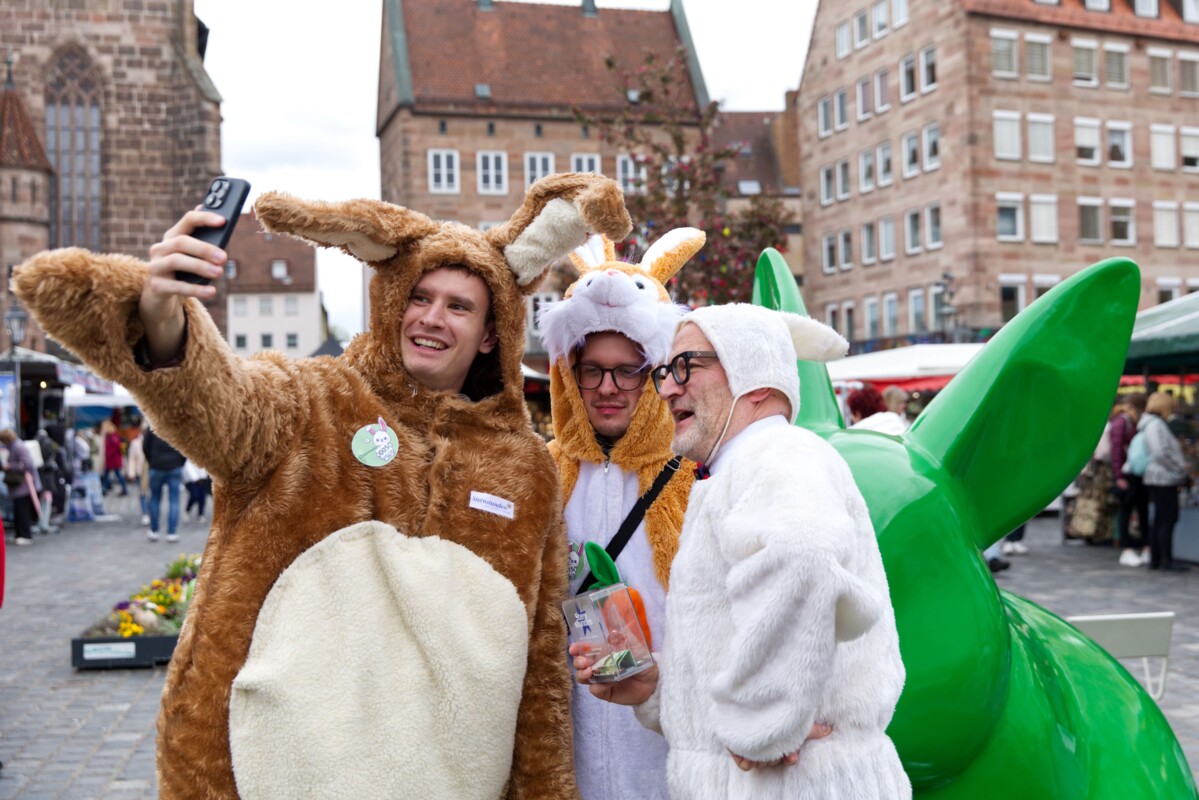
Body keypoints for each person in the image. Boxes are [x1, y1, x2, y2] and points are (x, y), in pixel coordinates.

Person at [14, 172, 631, 799]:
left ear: (492, 332)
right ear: (392, 302)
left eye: (459, 306)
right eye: (419, 297)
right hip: (278, 775)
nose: (432, 318)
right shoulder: (314, 402)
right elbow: (222, 403)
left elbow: (541, 660)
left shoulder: (523, 466)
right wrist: (161, 316)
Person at [574, 304, 910, 799]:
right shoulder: (741, 470)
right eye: (666, 372)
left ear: (753, 373)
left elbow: (804, 557)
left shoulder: (777, 453)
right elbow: (731, 642)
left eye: (686, 366)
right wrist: (655, 686)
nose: (666, 388)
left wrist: (765, 724)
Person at [538, 229, 703, 800]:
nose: (609, 388)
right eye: (593, 370)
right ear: (570, 373)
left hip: (669, 766)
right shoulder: (541, 474)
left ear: (656, 371)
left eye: (628, 370)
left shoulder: (697, 476)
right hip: (571, 764)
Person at [1140, 392, 1191, 572]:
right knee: (1166, 519)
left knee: (1160, 518)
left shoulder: (1151, 424)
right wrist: (1179, 466)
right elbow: (1161, 453)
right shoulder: (1156, 425)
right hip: (1163, 478)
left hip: (1157, 477)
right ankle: (1164, 559)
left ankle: (1158, 558)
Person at [1112, 393, 1150, 566]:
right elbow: (1116, 450)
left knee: (1142, 510)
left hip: (1136, 473)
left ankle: (1145, 547)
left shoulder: (1133, 421)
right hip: (1127, 474)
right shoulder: (1122, 422)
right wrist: (1119, 475)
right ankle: (1126, 549)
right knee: (1126, 511)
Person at [143, 425, 184, 543]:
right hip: (175, 466)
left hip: (157, 466)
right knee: (174, 500)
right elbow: (185, 447)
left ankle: (154, 531)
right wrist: (180, 462)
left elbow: (145, 446)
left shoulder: (152, 425)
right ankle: (172, 533)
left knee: (155, 498)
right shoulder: (178, 427)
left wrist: (152, 461)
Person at [1, 429, 41, 546]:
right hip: (18, 485)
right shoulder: (13, 446)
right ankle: (20, 534)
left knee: (22, 511)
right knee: (19, 511)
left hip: (23, 485)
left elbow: (27, 464)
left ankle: (25, 535)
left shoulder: (18, 447)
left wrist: (11, 466)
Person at [124, 421, 150, 527]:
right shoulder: (135, 443)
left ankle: (151, 511)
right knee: (142, 493)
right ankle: (145, 513)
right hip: (140, 472)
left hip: (152, 471)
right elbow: (132, 459)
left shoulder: (153, 441)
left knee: (152, 493)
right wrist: (131, 472)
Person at [99, 419, 128, 496]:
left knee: (114, 474)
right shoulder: (111, 435)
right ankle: (105, 488)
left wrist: (108, 454)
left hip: (113, 459)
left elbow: (114, 447)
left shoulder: (112, 436)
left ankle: (123, 488)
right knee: (108, 474)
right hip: (112, 459)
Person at [182, 458, 210, 523]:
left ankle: (200, 514)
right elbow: (188, 466)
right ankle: (187, 510)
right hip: (191, 480)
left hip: (203, 478)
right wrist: (196, 478)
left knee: (202, 497)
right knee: (194, 495)